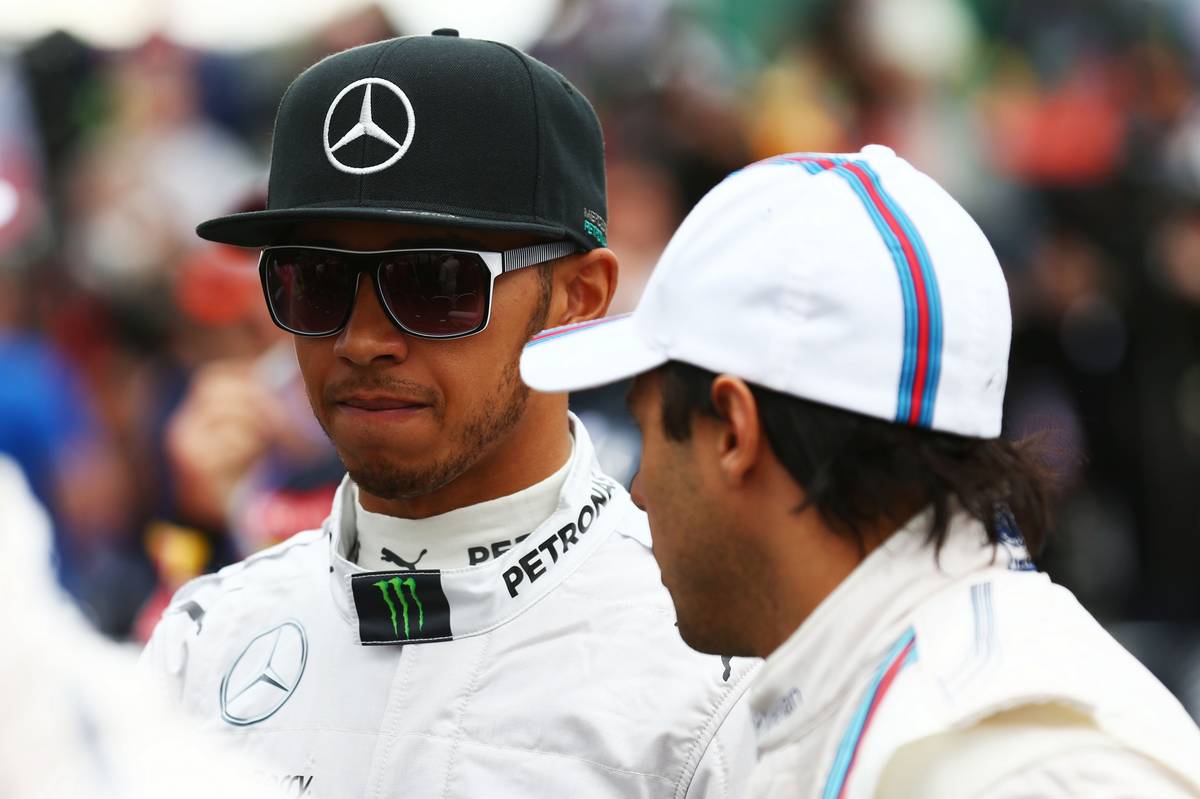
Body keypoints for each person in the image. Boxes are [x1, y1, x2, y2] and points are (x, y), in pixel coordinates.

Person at [140, 30, 757, 798]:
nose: (362, 339)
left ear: (581, 299)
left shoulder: (710, 677)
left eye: (435, 281)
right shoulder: (202, 646)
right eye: (316, 279)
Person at [520, 145, 1200, 797]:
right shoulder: (894, 693)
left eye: (650, 433)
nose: (638, 491)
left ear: (734, 431)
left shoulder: (1020, 767)